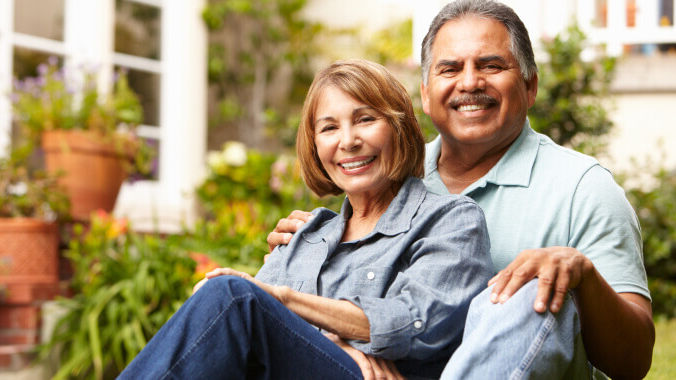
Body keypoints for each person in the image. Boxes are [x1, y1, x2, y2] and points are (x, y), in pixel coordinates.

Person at [268, 1, 655, 378]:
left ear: (530, 85)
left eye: (491, 65)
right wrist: (306, 256)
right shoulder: (386, 173)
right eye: (449, 69)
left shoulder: (582, 187)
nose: (469, 83)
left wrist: (584, 277)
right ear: (424, 91)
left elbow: (633, 362)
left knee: (526, 291)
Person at [119, 59, 493, 380]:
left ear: (398, 128)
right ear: (315, 145)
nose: (347, 141)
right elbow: (242, 324)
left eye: (364, 119)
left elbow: (414, 322)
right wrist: (338, 344)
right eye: (329, 128)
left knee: (232, 296)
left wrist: (287, 300)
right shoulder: (307, 233)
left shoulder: (452, 220)